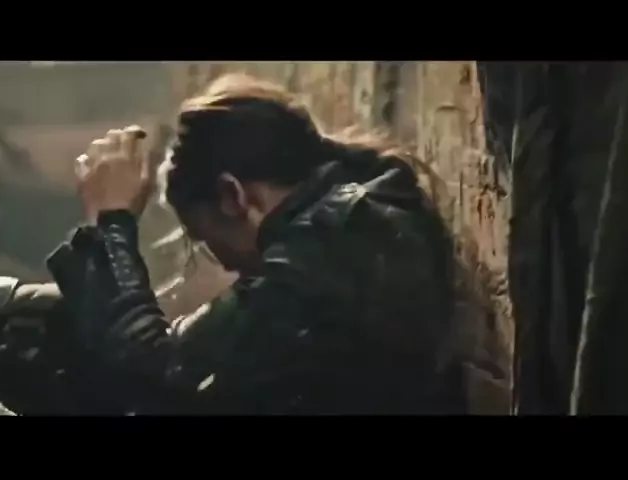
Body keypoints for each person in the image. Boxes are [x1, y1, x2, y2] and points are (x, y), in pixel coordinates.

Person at [46, 73, 509, 415]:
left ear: (233, 197)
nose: (230, 268)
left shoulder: (329, 254)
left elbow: (161, 378)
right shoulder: (360, 220)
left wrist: (112, 223)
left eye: (208, 240)